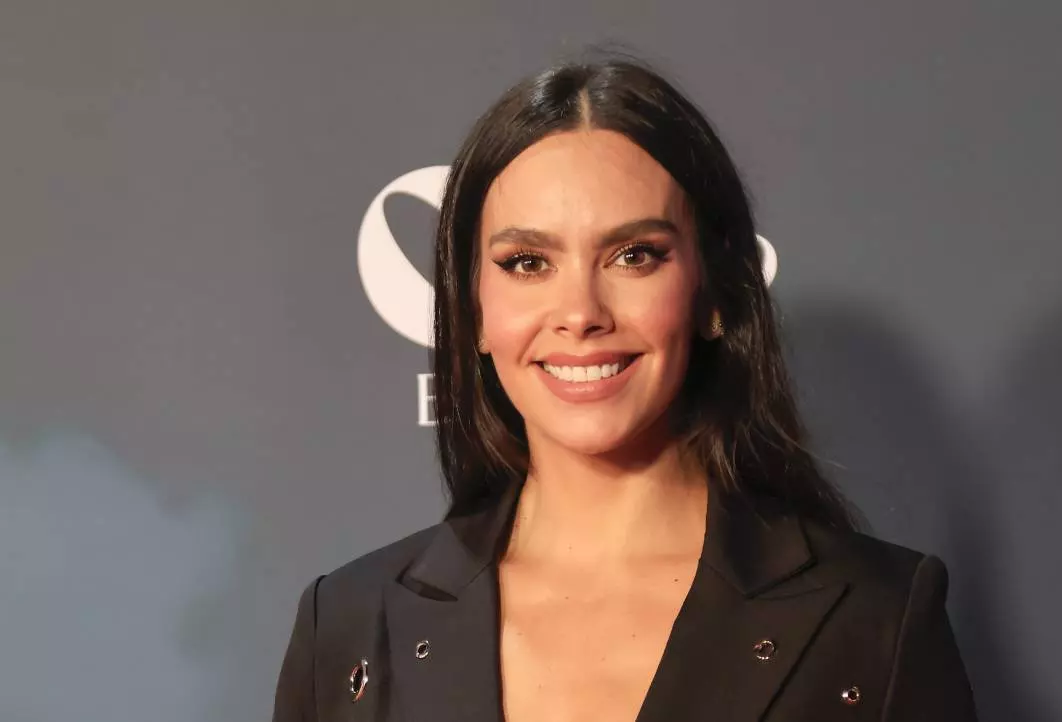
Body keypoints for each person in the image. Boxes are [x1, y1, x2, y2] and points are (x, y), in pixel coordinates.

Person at [272, 54, 977, 722]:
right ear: (474, 310)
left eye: (634, 255)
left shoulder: (875, 620)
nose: (581, 312)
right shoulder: (352, 625)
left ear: (713, 294)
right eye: (527, 262)